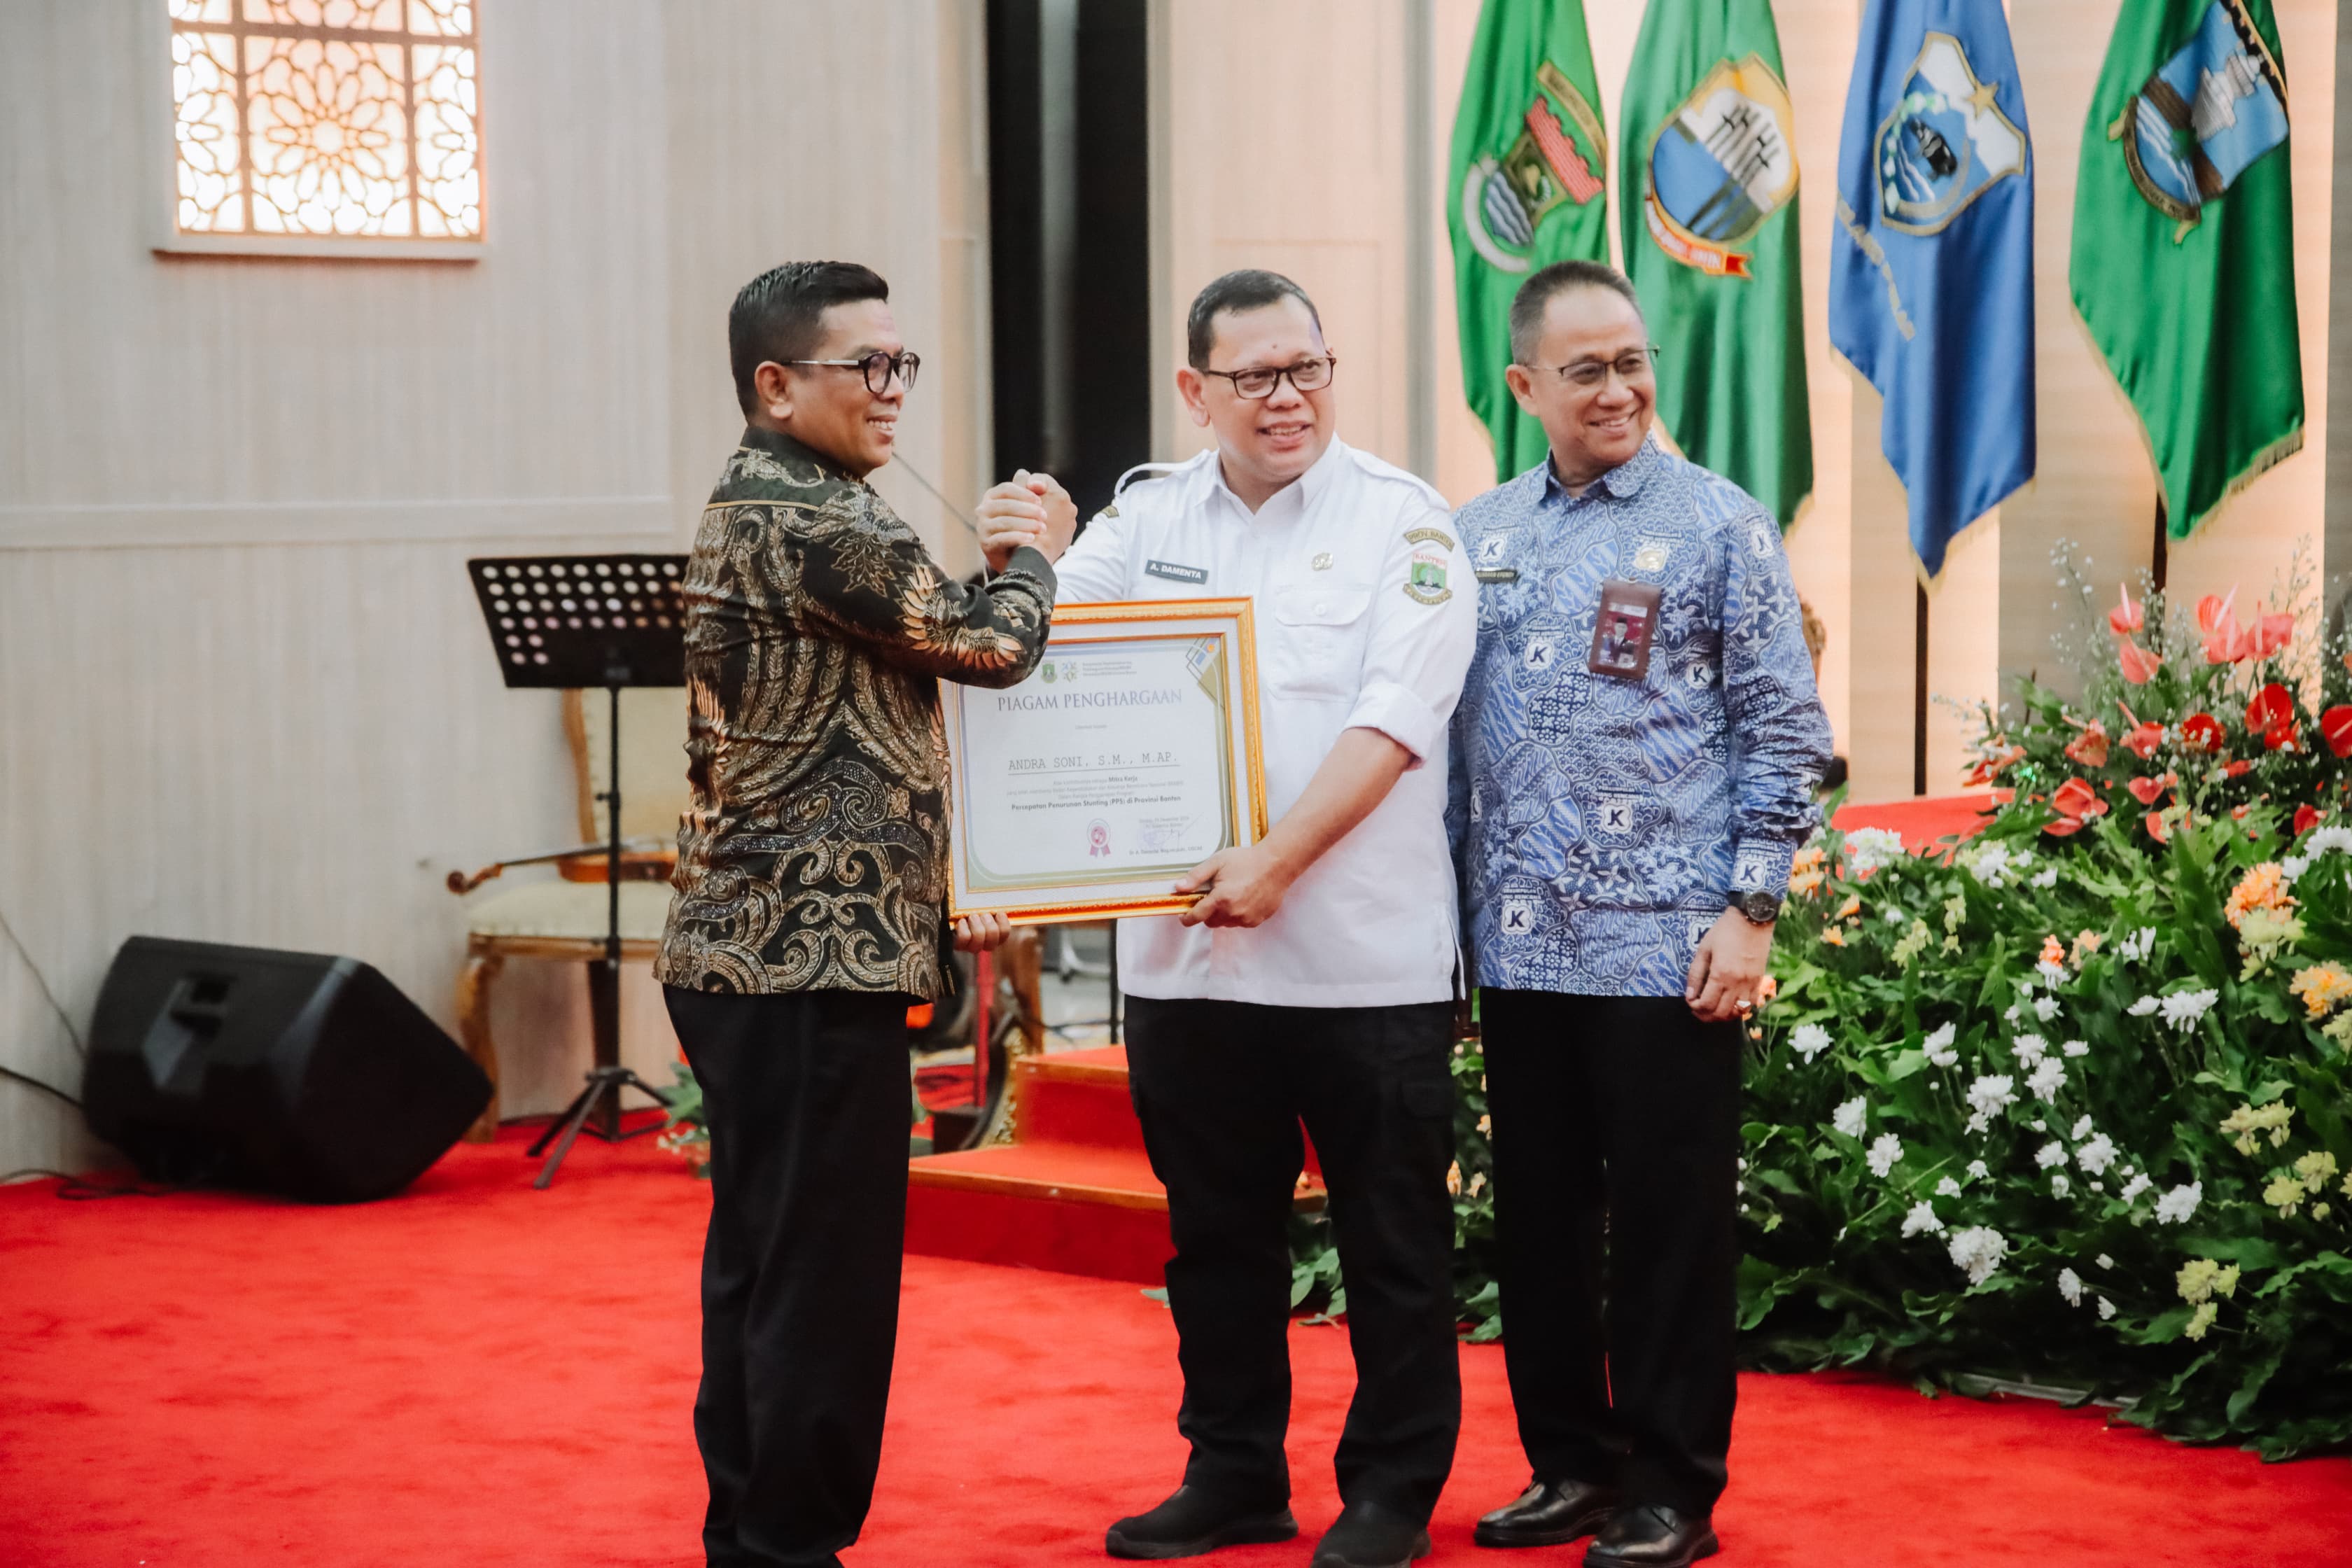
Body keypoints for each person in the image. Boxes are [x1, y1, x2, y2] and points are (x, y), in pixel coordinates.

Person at [977, 270, 1476, 1568]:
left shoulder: (1404, 524)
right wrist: (1018, 556)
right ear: (1196, 391)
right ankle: (1235, 1471)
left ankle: (1389, 1495)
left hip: (1366, 966)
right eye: (1254, 377)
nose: (1287, 397)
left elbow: (1396, 722)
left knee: (1397, 1249)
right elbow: (1030, 669)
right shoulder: (1141, 524)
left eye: (1307, 367)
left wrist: (1277, 862)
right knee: (1216, 1247)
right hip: (1191, 970)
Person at [655, 260, 1067, 1568]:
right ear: (777, 386)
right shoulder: (821, 518)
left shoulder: (774, 500)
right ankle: (789, 1540)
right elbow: (991, 646)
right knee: (822, 1276)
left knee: (767, 1259)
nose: (892, 391)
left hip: (754, 953)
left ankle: (753, 1527)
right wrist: (1031, 557)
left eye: (903, 365)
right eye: (864, 367)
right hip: (804, 955)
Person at [1449, 260, 1832, 1568]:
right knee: (1539, 1219)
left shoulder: (1721, 524)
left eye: (1632, 362)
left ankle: (1672, 1486)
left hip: (1668, 943)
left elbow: (1786, 729)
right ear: (1524, 387)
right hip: (1517, 939)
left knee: (1669, 1227)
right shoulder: (1475, 537)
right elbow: (1440, 747)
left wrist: (1755, 910)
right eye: (1586, 369)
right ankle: (1570, 1464)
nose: (1618, 389)